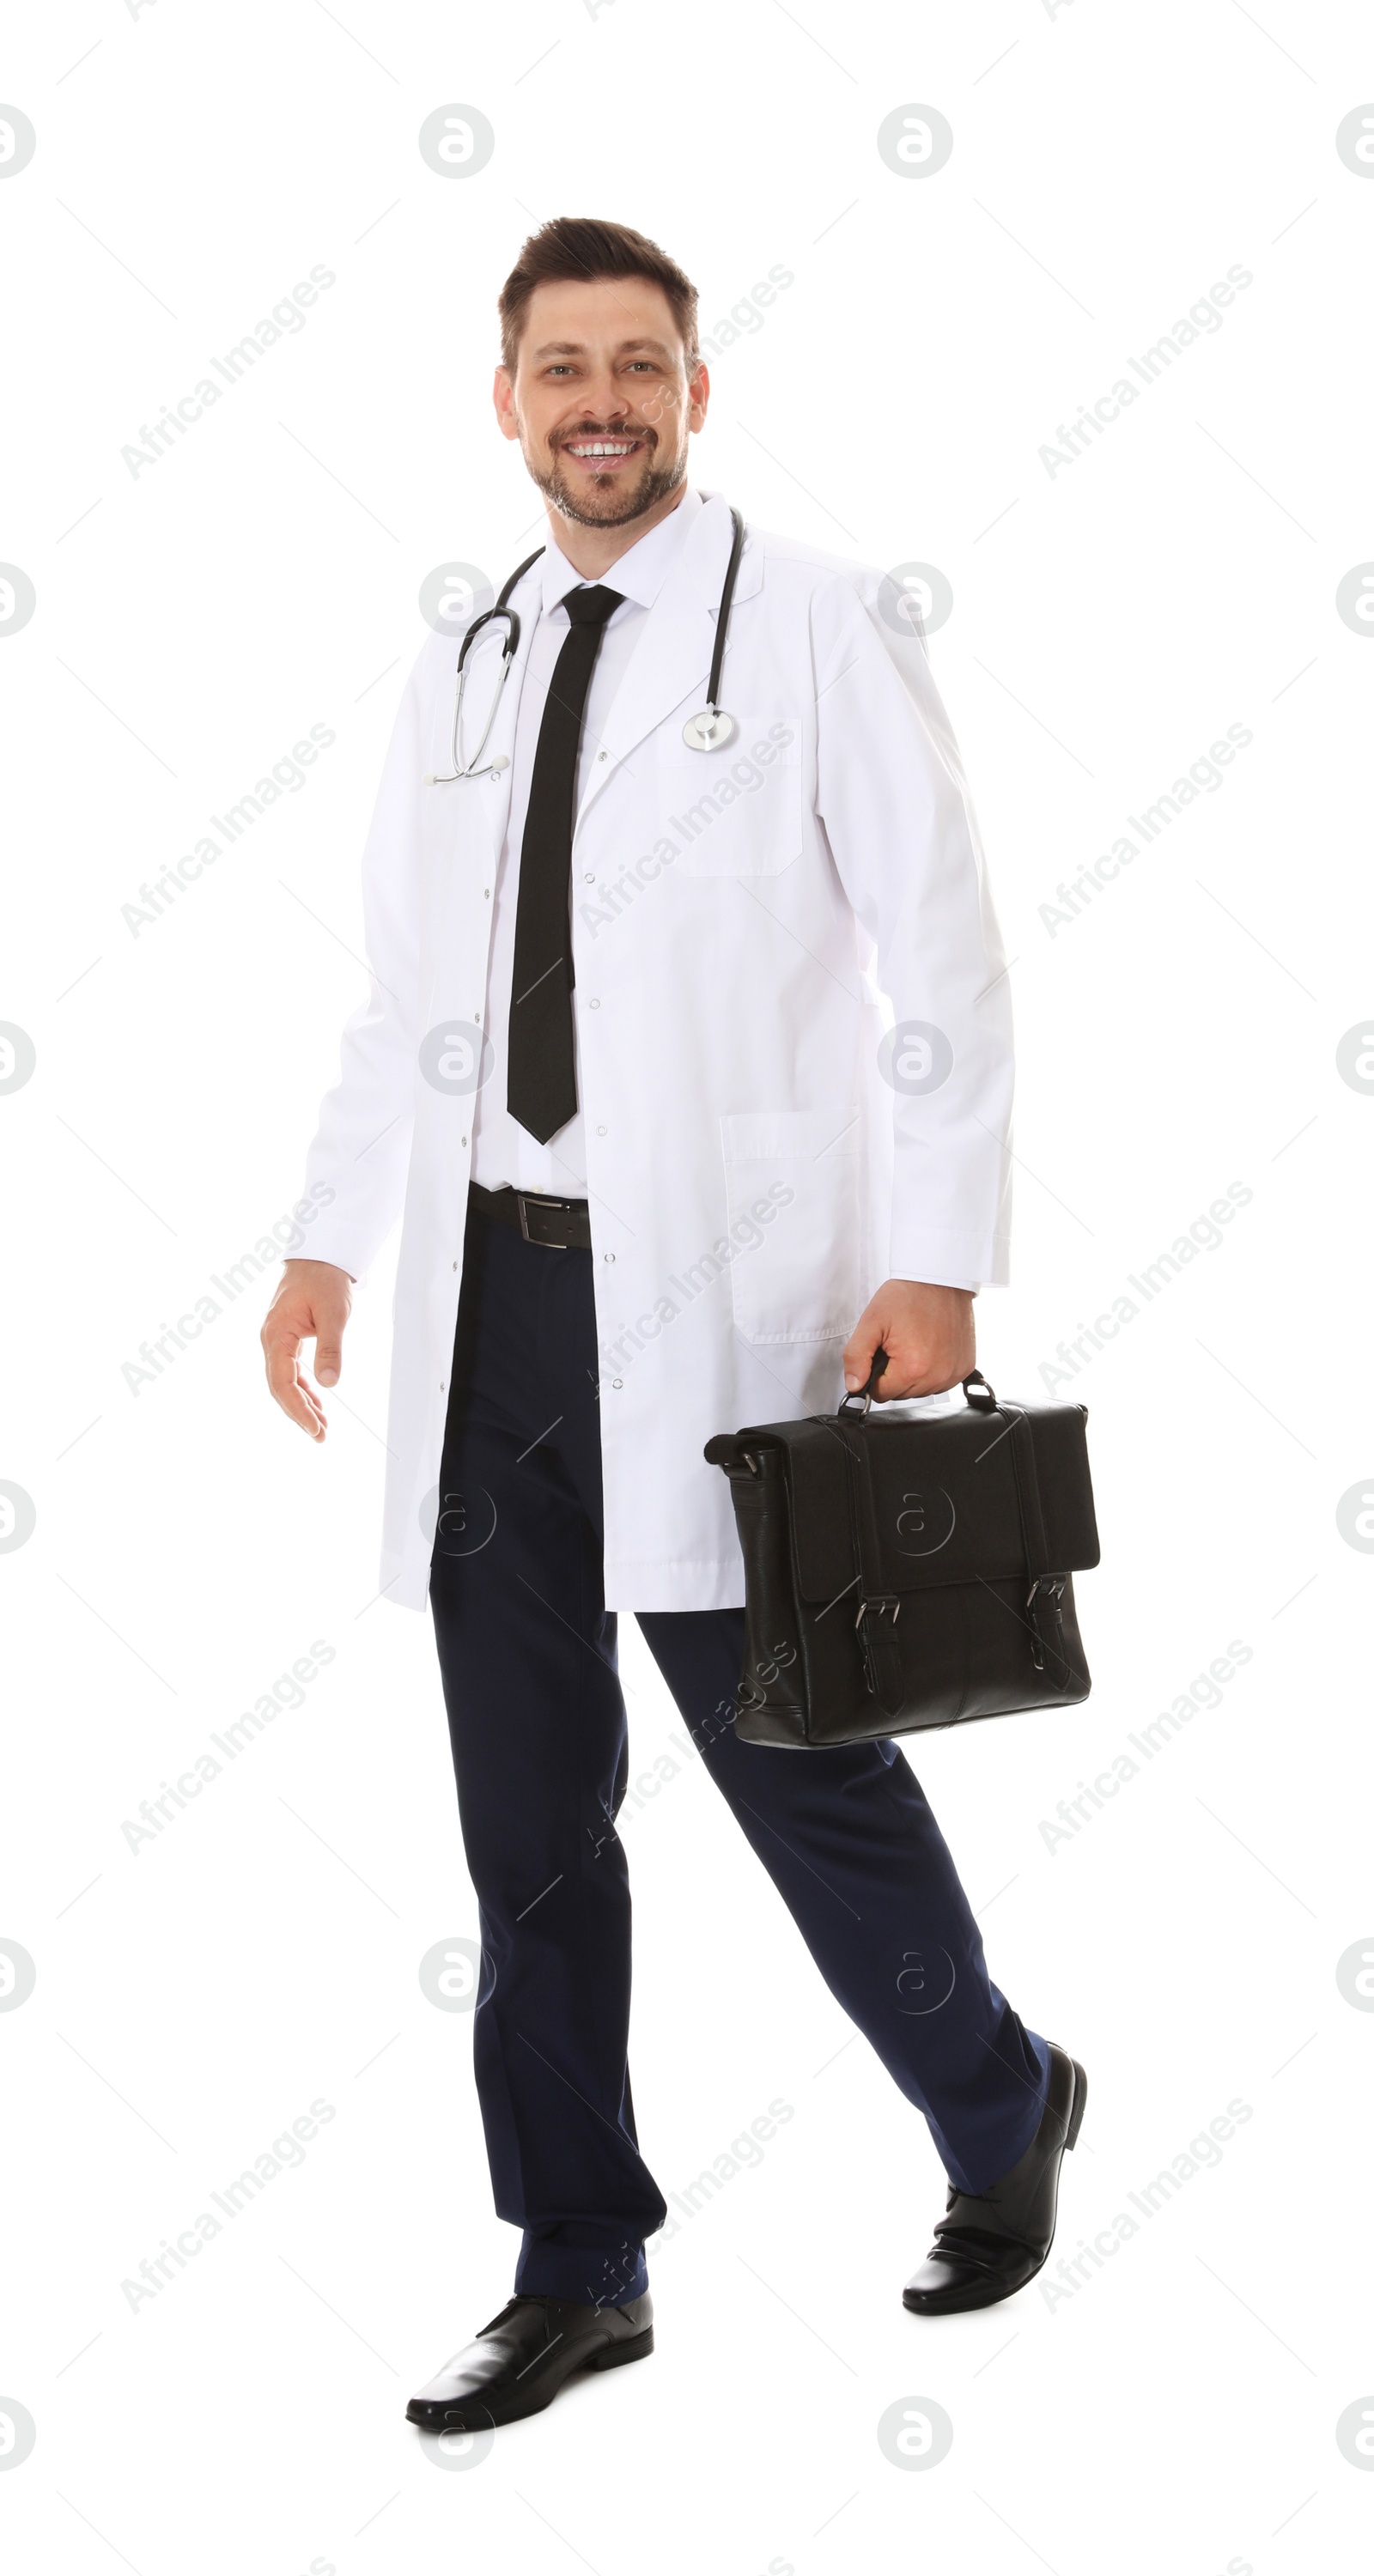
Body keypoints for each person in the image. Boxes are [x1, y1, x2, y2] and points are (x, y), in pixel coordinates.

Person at [261, 216, 1085, 2436]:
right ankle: (579, 2259)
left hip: (730, 1315)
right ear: (507, 403)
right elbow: (407, 1001)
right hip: (490, 1321)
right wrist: (330, 1242)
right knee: (528, 1833)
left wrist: (938, 1259)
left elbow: (951, 953)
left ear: (695, 395)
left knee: (803, 1768)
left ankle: (1002, 2107)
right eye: (561, 369)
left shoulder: (811, 624)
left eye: (640, 364)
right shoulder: (466, 655)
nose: (600, 403)